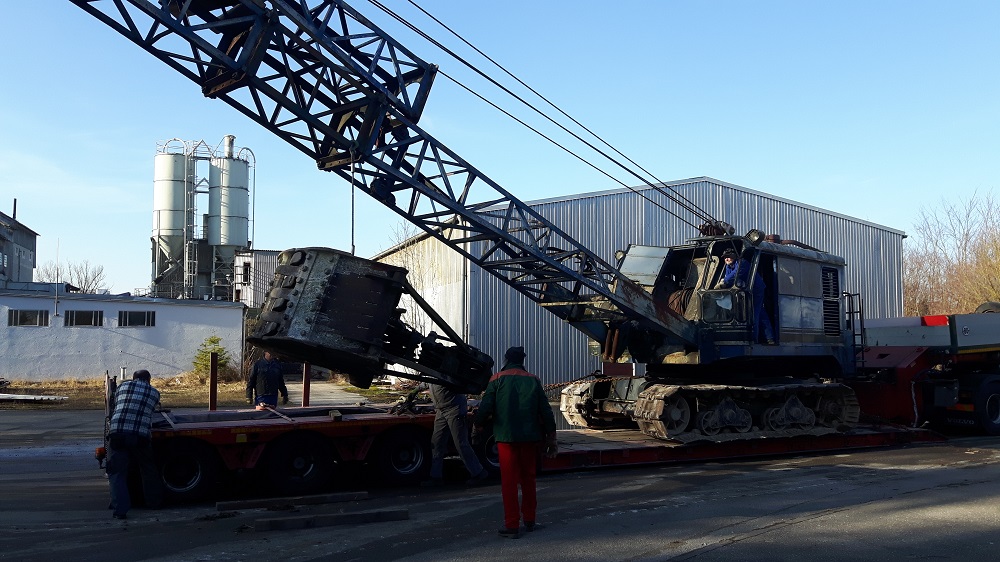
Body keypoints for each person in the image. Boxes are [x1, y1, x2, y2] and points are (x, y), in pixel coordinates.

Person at [474, 346, 557, 539]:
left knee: (509, 482)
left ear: (506, 359)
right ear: (522, 360)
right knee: (529, 479)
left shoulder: (497, 379)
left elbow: (486, 406)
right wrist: (551, 436)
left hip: (506, 437)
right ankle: (530, 520)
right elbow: (545, 411)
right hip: (529, 437)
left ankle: (512, 525)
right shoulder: (533, 380)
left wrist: (478, 425)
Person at [405, 382, 489, 486]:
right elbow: (427, 382)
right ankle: (436, 477)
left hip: (455, 408)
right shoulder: (433, 374)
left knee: (460, 443)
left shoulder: (446, 373)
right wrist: (415, 390)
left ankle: (478, 473)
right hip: (441, 410)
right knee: (437, 443)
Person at [107, 369, 162, 520]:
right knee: (148, 469)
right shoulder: (155, 393)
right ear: (149, 380)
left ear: (133, 378)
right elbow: (152, 411)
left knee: (117, 472)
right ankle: (154, 503)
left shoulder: (122, 387)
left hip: (118, 433)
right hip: (140, 436)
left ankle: (120, 510)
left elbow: (116, 404)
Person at [716, 248, 775, 344]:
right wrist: (723, 285)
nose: (727, 259)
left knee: (753, 313)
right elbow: (728, 277)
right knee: (760, 312)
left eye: (729, 256)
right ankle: (770, 337)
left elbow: (735, 274)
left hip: (756, 289)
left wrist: (724, 282)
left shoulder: (742, 263)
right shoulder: (728, 266)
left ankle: (754, 340)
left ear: (734, 256)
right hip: (746, 289)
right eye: (725, 257)